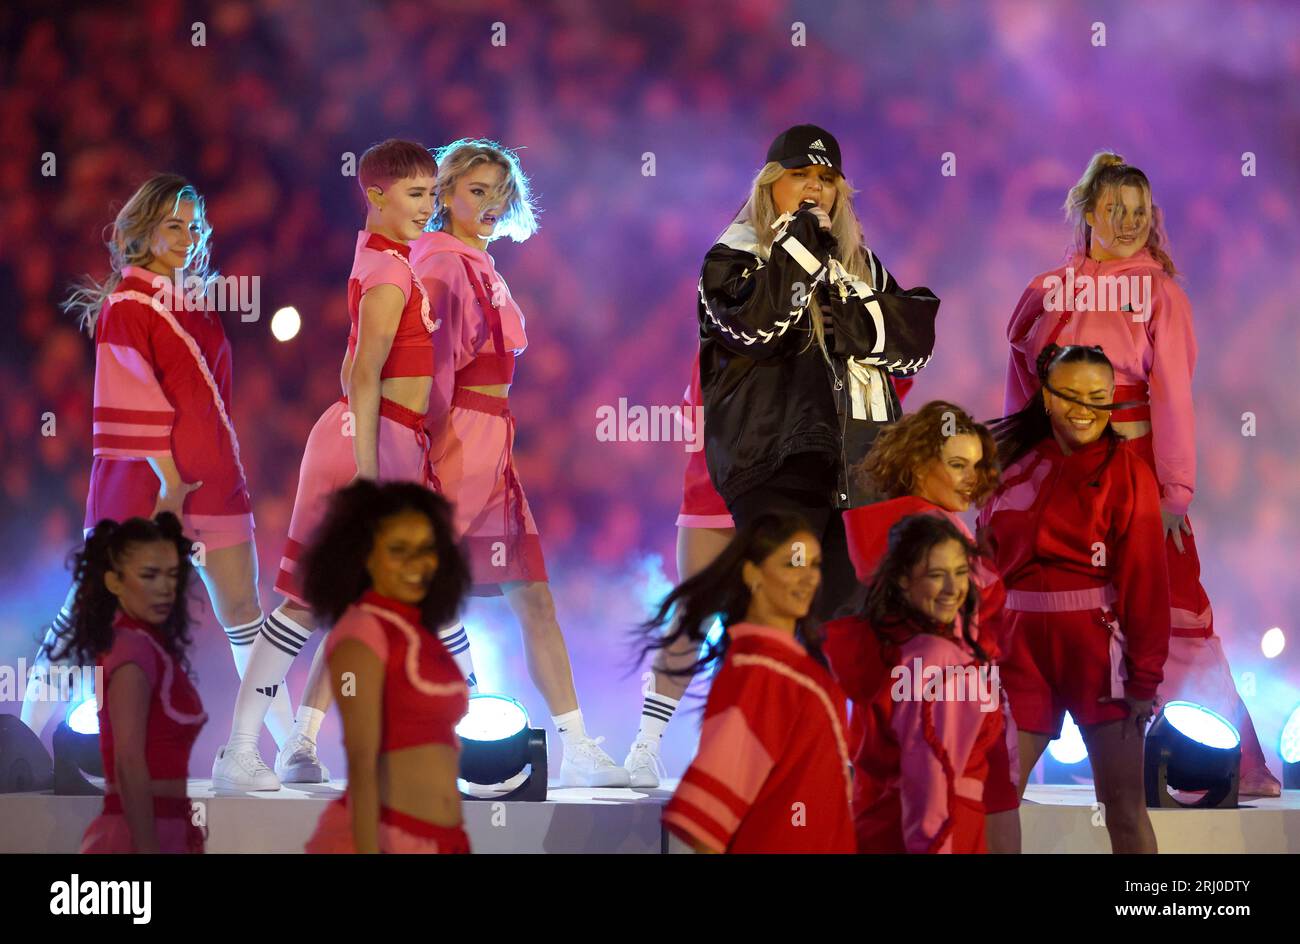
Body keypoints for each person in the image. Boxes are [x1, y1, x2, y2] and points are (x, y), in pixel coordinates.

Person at [1003, 151, 1279, 797]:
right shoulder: (1045, 291)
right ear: (1087, 214)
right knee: (1054, 608)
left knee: (1173, 611)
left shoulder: (1160, 293)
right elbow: (1020, 390)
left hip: (1133, 468)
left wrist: (1175, 491)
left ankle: (1237, 767)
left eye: (1139, 213)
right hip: (1057, 474)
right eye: (1114, 211)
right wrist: (1013, 479)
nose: (1127, 223)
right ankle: (1019, 772)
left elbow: (1173, 396)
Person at [22, 174, 286, 758]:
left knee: (246, 611)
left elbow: (208, 398)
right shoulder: (127, 304)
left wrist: (206, 472)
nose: (188, 238)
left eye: (195, 227)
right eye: (173, 226)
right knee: (91, 611)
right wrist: (169, 481)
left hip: (212, 481)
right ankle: (26, 749)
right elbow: (131, 396)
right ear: (142, 231)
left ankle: (275, 749)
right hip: (149, 486)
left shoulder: (196, 304)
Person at [215, 139, 441, 790]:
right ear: (376, 196)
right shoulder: (393, 271)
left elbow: (352, 365)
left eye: (432, 193)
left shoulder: (381, 255)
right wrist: (370, 474)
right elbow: (364, 374)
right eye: (416, 194)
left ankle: (297, 746)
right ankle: (240, 753)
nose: (429, 206)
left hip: (379, 437)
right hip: (369, 443)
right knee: (304, 604)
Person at [410, 138, 627, 787]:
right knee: (417, 591)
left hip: (492, 442)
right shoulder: (443, 262)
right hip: (458, 443)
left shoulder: (477, 262)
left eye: (500, 194)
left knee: (531, 595)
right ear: (446, 191)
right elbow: (432, 373)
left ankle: (578, 746)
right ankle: (324, 736)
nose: (491, 205)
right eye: (477, 190)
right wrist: (424, 457)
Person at [697, 124, 939, 625]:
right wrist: (803, 244)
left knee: (842, 628)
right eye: (800, 174)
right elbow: (757, 325)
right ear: (769, 185)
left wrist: (850, 320)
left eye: (827, 178)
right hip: (776, 467)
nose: (815, 188)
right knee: (779, 617)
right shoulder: (732, 256)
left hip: (856, 471)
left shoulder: (860, 264)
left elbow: (917, 338)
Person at [981, 343, 1169, 853]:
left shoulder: (1129, 474)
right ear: (1044, 396)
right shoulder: (1009, 467)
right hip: (1018, 655)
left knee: (1124, 809)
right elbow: (982, 565)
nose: (1086, 409)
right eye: (1070, 395)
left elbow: (1147, 583)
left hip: (1098, 658)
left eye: (1100, 397)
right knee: (991, 800)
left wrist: (1144, 678)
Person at [823, 401, 1021, 852]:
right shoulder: (926, 532)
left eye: (977, 465)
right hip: (951, 730)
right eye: (956, 464)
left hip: (920, 737)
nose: (972, 477)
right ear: (915, 464)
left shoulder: (895, 527)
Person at [644, 512, 855, 853]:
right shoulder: (762, 676)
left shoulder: (786, 669)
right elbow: (705, 821)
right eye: (792, 564)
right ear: (752, 574)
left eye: (814, 564)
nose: (808, 578)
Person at [302, 481, 472, 854]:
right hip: (382, 839)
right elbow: (362, 766)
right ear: (366, 556)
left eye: (427, 549)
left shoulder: (419, 632)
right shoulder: (362, 630)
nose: (417, 564)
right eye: (398, 550)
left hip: (443, 840)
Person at [827, 514, 1009, 853]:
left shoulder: (888, 645)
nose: (953, 589)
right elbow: (928, 779)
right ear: (903, 580)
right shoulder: (935, 659)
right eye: (936, 576)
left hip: (885, 826)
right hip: (938, 833)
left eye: (959, 573)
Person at [56, 514, 207, 854]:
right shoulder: (133, 647)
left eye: (172, 575)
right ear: (114, 582)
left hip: (158, 828)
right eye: (149, 575)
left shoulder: (142, 642)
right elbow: (128, 760)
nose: (165, 587)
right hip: (141, 834)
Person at [624, 349, 735, 787]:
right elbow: (700, 417)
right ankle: (646, 745)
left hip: (781, 497)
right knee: (692, 617)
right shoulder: (724, 332)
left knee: (763, 630)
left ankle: (722, 748)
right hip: (714, 492)